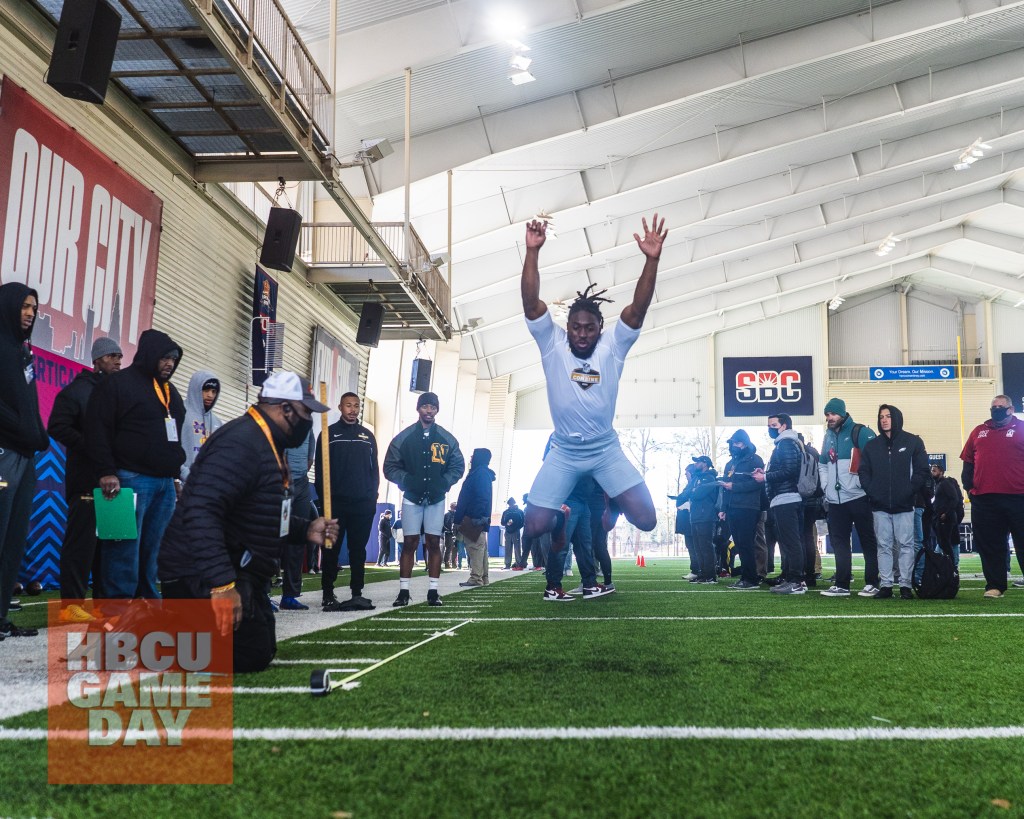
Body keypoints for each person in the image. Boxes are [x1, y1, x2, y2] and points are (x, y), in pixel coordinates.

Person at [519, 215, 666, 599]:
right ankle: (558, 519)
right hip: (564, 452)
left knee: (648, 521)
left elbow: (638, 308)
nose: (582, 334)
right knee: (533, 525)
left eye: (589, 328)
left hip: (604, 450)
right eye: (576, 327)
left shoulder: (612, 347)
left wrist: (651, 260)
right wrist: (532, 252)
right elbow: (530, 301)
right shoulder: (551, 344)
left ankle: (609, 490)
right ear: (567, 327)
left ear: (600, 328)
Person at [158, 371, 337, 672]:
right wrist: (221, 586)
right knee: (247, 654)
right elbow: (201, 510)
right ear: (285, 409)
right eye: (306, 413)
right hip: (197, 573)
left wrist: (305, 529)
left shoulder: (268, 443)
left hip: (234, 566)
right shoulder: (242, 443)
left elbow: (261, 515)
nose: (307, 423)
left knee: (260, 648)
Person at [85, 328, 186, 605]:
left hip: (164, 485)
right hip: (126, 479)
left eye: (174, 360)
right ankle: (118, 607)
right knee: (122, 547)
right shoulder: (117, 384)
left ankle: (148, 604)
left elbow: (175, 432)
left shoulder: (170, 391)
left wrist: (175, 476)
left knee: (154, 550)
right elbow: (97, 429)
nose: (169, 364)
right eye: (165, 358)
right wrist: (106, 471)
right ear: (151, 355)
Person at [48, 336, 123, 622]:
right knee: (81, 544)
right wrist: (92, 445)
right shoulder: (78, 391)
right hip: (86, 480)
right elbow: (57, 426)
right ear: (96, 360)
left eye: (119, 356)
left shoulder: (116, 392)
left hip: (117, 481)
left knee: (110, 545)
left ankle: (105, 603)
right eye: (111, 356)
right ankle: (71, 605)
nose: (117, 360)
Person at [383, 391, 465, 606]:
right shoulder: (404, 437)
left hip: (436, 499)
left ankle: (433, 592)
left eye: (433, 407)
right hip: (412, 498)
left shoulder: (447, 439)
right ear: (418, 409)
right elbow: (389, 467)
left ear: (437, 410)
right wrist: (407, 480)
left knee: (433, 543)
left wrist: (444, 482)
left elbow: (458, 466)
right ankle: (403, 591)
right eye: (425, 406)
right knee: (409, 543)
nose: (429, 410)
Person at [0, 283, 49, 639]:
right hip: (4, 453)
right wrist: (23, 431)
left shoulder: (22, 352)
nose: (30, 313)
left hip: (25, 456)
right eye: (24, 306)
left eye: (34, 307)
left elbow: (29, 407)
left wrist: (37, 433)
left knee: (14, 541)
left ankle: (1, 616)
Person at [316, 391, 379, 611]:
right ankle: (327, 593)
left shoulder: (367, 436)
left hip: (362, 505)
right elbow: (320, 471)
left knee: (357, 550)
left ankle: (357, 593)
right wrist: (326, 503)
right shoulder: (328, 434)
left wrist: (372, 498)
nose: (352, 410)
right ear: (340, 407)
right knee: (330, 548)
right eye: (348, 406)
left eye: (356, 406)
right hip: (335, 505)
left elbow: (374, 471)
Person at [858, 404, 928, 600]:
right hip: (879, 505)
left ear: (896, 418)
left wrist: (909, 491)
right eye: (881, 416)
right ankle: (886, 585)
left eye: (888, 416)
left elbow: (922, 470)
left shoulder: (913, 442)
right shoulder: (872, 446)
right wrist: (871, 491)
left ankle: (905, 585)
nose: (884, 420)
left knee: (906, 545)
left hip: (905, 505)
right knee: (884, 545)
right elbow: (863, 471)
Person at [960, 394, 1024, 598]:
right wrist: (969, 488)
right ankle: (995, 586)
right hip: (985, 499)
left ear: (1010, 409)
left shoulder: (1021, 429)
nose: (996, 409)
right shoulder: (979, 432)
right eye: (993, 407)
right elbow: (968, 461)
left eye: (1000, 406)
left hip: (1018, 497)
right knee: (990, 545)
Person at [817, 397, 881, 598]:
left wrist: (863, 484)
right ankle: (842, 584)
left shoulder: (860, 432)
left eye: (833, 414)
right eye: (827, 414)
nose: (830, 417)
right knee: (839, 543)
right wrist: (827, 487)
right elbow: (822, 464)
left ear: (843, 413)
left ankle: (873, 583)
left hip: (859, 497)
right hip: (836, 501)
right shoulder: (827, 437)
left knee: (868, 541)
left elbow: (876, 459)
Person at [759, 414, 806, 595]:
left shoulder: (786, 443)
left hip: (787, 498)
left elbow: (789, 470)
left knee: (792, 542)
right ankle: (790, 578)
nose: (770, 428)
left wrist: (765, 476)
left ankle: (797, 581)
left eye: (773, 425)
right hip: (782, 498)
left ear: (784, 425)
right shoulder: (783, 443)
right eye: (769, 425)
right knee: (788, 542)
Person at [720, 429, 765, 590]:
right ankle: (745, 578)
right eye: (732, 443)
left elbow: (757, 483)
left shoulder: (755, 460)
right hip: (732, 508)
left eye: (736, 443)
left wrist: (735, 486)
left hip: (748, 507)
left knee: (747, 544)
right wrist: (723, 508)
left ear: (745, 443)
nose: (733, 446)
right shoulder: (730, 463)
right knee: (739, 544)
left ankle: (751, 579)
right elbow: (725, 487)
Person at [279, 428, 315, 610]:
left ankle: (290, 595)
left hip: (302, 485)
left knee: (299, 537)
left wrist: (299, 476)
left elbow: (310, 457)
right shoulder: (281, 423)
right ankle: (262, 593)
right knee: (276, 536)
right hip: (281, 482)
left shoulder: (307, 428)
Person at [455, 448, 495, 587]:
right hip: (477, 517)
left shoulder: (480, 474)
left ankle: (476, 578)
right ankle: (483, 577)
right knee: (480, 549)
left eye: (473, 456)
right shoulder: (482, 473)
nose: (471, 458)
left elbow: (481, 498)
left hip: (474, 518)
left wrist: (474, 517)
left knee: (475, 548)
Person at [180, 370, 223, 483]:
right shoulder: (180, 412)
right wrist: (185, 475)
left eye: (214, 391)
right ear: (196, 389)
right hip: (182, 483)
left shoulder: (217, 422)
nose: (210, 395)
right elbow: (170, 449)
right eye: (206, 390)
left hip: (207, 486)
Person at [683, 456, 719, 584]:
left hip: (706, 516)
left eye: (698, 462)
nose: (695, 464)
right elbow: (686, 493)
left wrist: (691, 492)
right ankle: (703, 574)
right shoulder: (697, 479)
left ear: (705, 463)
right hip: (695, 516)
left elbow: (696, 494)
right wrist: (690, 492)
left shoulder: (709, 478)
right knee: (698, 547)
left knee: (706, 546)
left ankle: (710, 576)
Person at [930, 462, 964, 569]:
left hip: (946, 518)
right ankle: (949, 566)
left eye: (935, 470)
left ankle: (951, 566)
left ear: (941, 471)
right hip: (942, 517)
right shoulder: (938, 484)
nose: (932, 471)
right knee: (944, 542)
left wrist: (946, 513)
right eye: (931, 470)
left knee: (945, 543)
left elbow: (954, 498)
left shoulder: (945, 483)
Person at [500, 497, 525, 570]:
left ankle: (519, 564)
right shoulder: (506, 512)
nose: (510, 505)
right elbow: (502, 522)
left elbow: (522, 522)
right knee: (508, 548)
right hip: (508, 532)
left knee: (517, 549)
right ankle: (507, 564)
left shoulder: (519, 512)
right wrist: (507, 524)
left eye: (511, 503)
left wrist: (516, 527)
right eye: (509, 504)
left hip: (515, 532)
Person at [442, 501, 458, 569]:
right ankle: (446, 563)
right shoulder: (447, 515)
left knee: (455, 549)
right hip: (449, 534)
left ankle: (453, 563)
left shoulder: (456, 514)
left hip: (455, 533)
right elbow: (444, 524)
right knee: (449, 548)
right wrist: (449, 531)